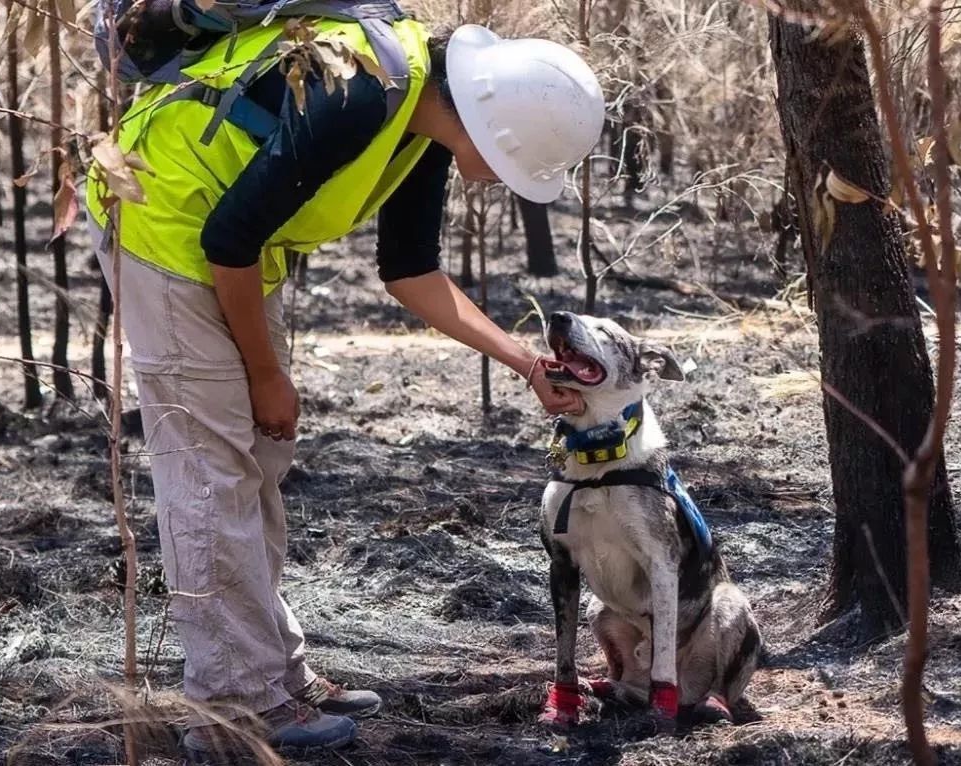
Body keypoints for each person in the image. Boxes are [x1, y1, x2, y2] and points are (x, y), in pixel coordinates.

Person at [86, 9, 603, 760]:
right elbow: (226, 240)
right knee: (209, 473)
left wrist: (525, 363)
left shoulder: (424, 111)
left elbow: (411, 272)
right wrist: (267, 376)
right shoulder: (362, 93)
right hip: (162, 227)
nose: (510, 183)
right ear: (498, 133)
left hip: (222, 244)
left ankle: (277, 674)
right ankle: (236, 706)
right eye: (521, 166)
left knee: (253, 464)